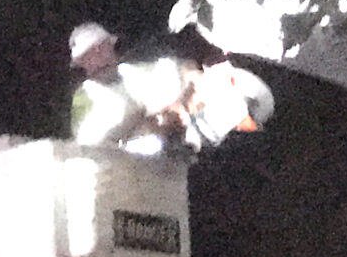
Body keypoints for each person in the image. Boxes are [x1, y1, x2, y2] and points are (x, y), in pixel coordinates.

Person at [67, 23, 272, 157]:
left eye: (96, 50)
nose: (90, 62)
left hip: (169, 156)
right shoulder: (86, 94)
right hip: (123, 164)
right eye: (85, 58)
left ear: (106, 46)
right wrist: (151, 119)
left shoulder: (133, 72)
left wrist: (189, 88)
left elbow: (183, 70)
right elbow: (91, 145)